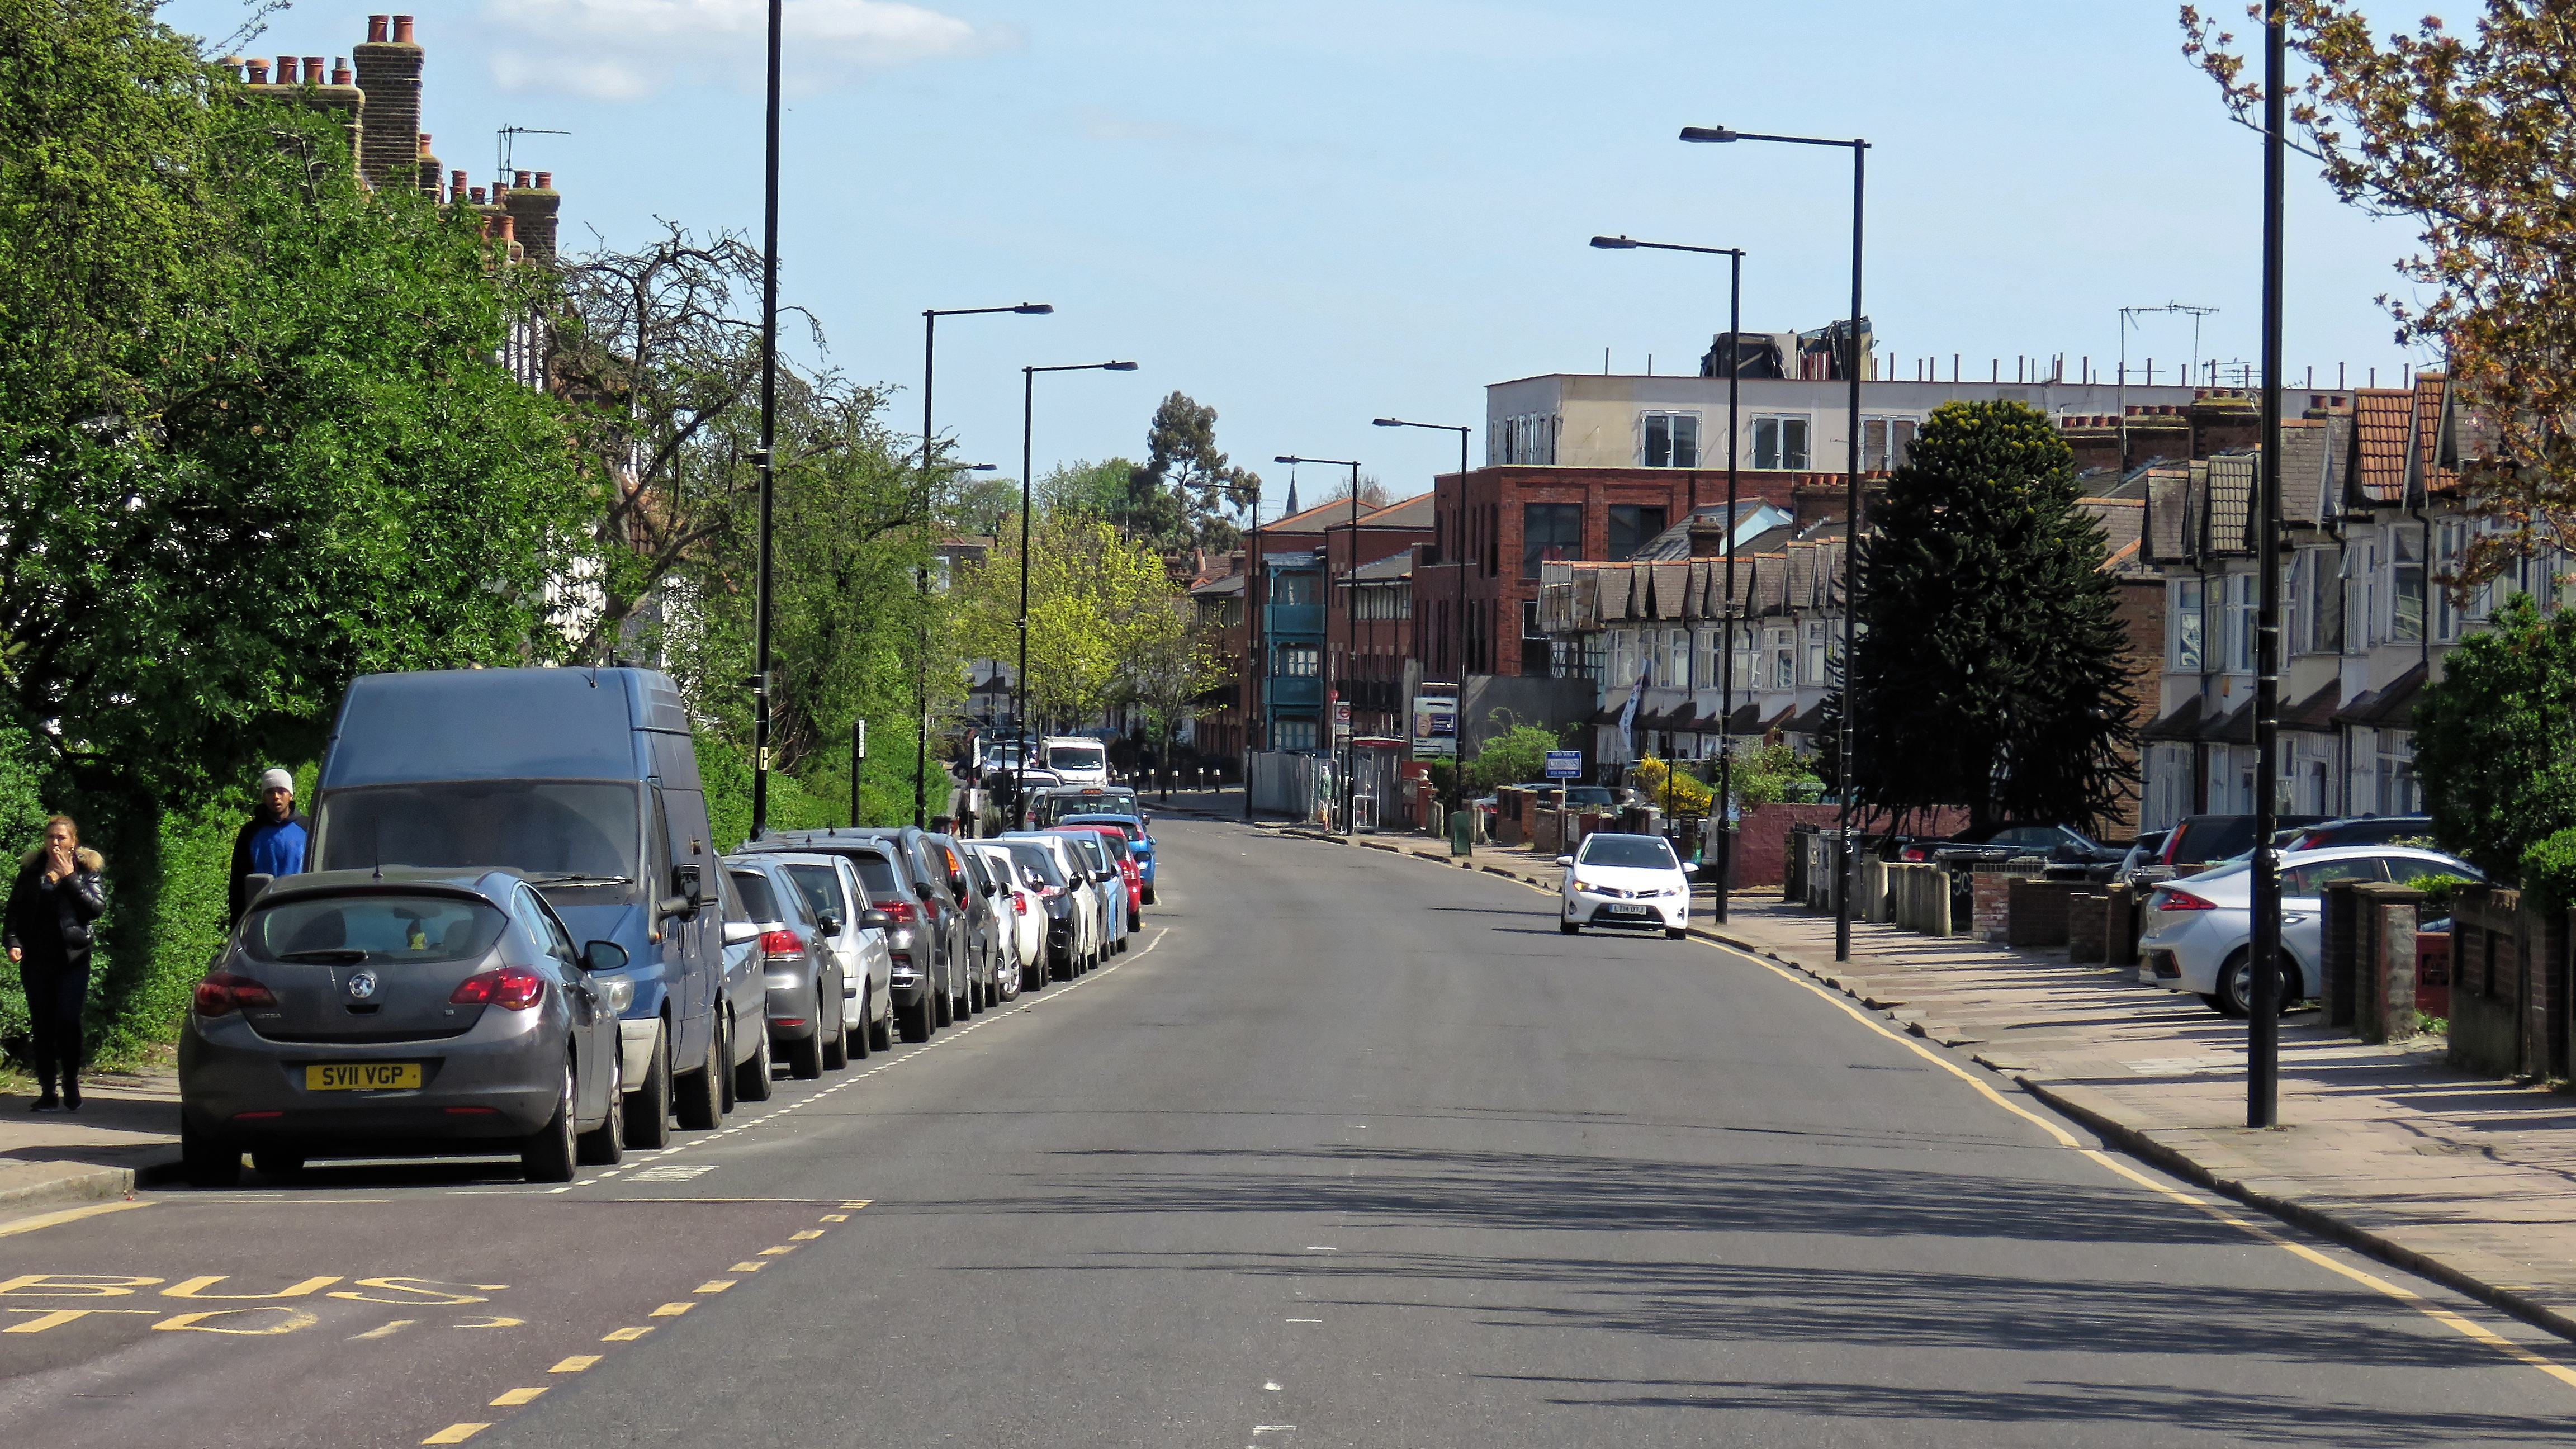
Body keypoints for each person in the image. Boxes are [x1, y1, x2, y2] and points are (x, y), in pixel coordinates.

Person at [4, 816, 105, 1112]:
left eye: (62, 837)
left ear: (74, 841)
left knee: (68, 1021)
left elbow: (95, 908)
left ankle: (71, 1082)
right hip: (37, 959)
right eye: (51, 837)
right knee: (43, 1025)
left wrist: (70, 877)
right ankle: (48, 1091)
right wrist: (13, 942)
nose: (56, 842)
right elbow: (14, 911)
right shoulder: (32, 870)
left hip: (73, 959)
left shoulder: (88, 870)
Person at [228, 767, 306, 925]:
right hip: (262, 916)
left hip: (303, 912)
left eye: (281, 791)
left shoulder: (309, 827)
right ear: (264, 797)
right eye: (270, 792)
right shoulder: (250, 833)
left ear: (291, 795)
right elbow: (238, 883)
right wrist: (238, 923)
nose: (276, 797)